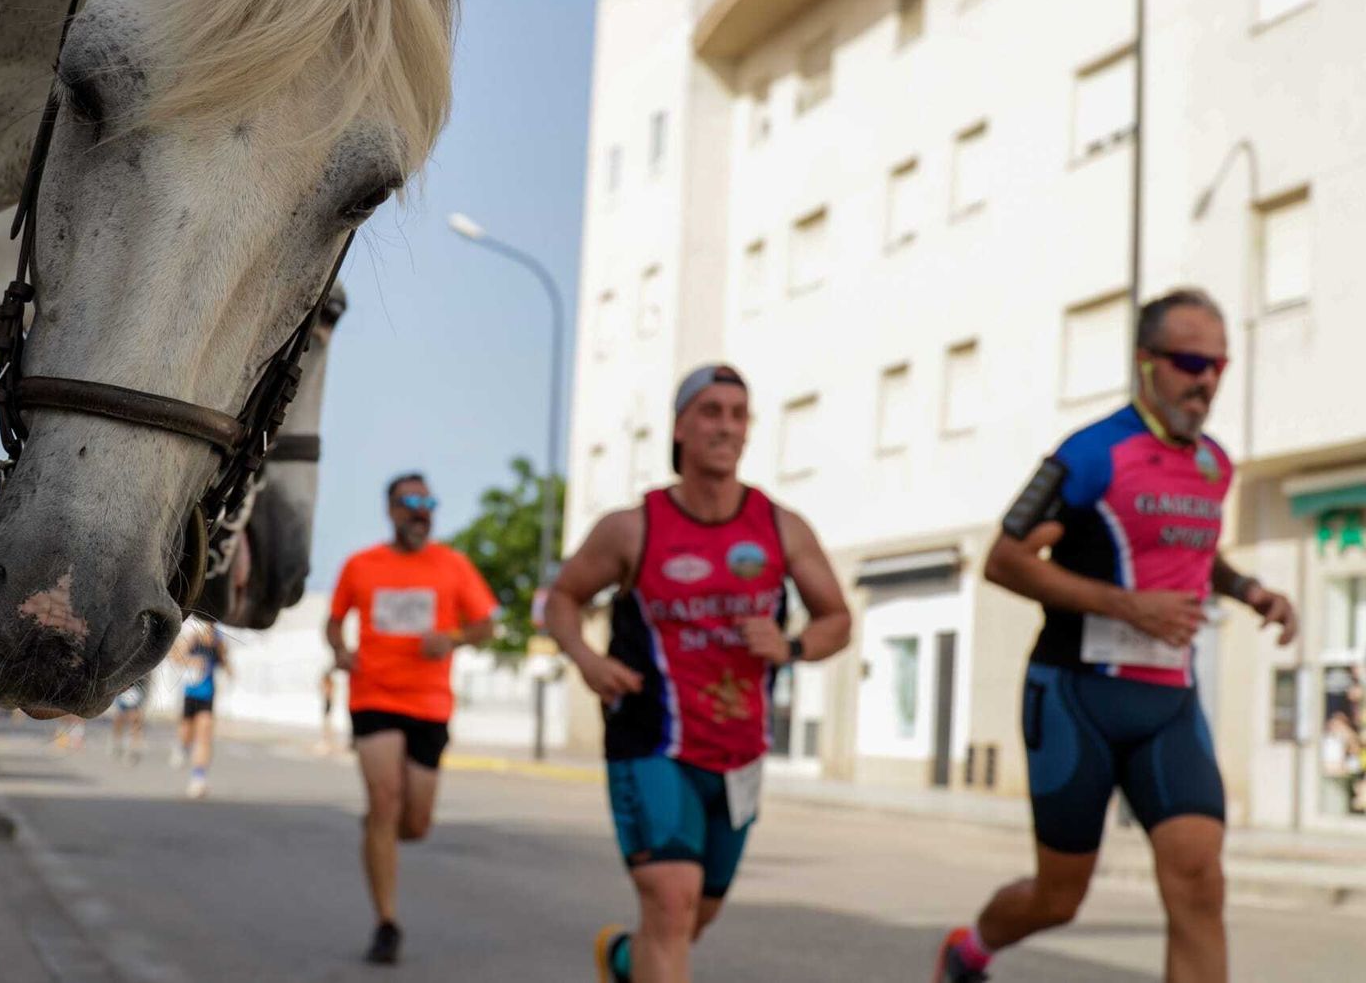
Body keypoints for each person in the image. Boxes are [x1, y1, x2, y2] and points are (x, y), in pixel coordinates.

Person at [934, 289, 1299, 983]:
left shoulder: (1215, 464)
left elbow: (1192, 551)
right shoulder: (1091, 453)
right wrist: (1128, 606)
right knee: (1059, 896)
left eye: (1219, 363)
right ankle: (969, 950)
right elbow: (1003, 559)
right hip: (1077, 696)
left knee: (1199, 881)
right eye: (1191, 360)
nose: (1207, 379)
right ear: (1146, 362)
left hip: (1168, 702)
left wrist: (1252, 591)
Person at [544, 364, 853, 983]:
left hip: (739, 755)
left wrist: (790, 647)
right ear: (680, 427)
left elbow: (838, 620)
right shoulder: (633, 527)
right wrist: (587, 659)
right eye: (711, 411)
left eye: (739, 414)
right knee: (672, 901)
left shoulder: (780, 526)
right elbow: (561, 599)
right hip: (651, 741)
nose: (727, 426)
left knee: (693, 917)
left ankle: (626, 960)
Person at [326, 472, 499, 965]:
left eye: (427, 501)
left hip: (429, 704)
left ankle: (382, 829)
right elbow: (335, 622)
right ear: (391, 510)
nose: (420, 510)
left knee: (415, 823)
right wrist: (340, 650)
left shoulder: (453, 565)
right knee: (385, 801)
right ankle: (387, 922)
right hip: (374, 696)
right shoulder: (361, 565)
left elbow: (487, 625)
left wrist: (455, 639)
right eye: (409, 502)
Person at [171, 619, 230, 798]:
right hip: (190, 693)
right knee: (186, 731)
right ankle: (183, 746)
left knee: (204, 734)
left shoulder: (218, 640)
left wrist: (228, 667)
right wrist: (191, 660)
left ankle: (198, 779)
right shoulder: (192, 636)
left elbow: (224, 661)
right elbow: (176, 657)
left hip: (208, 695)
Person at [110, 676, 149, 765]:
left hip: (137, 686)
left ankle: (132, 747)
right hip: (123, 685)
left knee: (135, 718)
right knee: (120, 717)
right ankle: (117, 741)